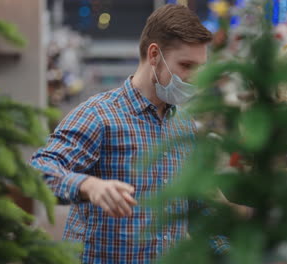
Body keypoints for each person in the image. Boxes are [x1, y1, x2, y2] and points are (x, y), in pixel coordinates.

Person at [30, 4, 250, 263]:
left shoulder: (184, 125)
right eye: (186, 65)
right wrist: (88, 185)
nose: (194, 78)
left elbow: (194, 209)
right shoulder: (98, 116)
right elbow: (38, 171)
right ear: (154, 54)